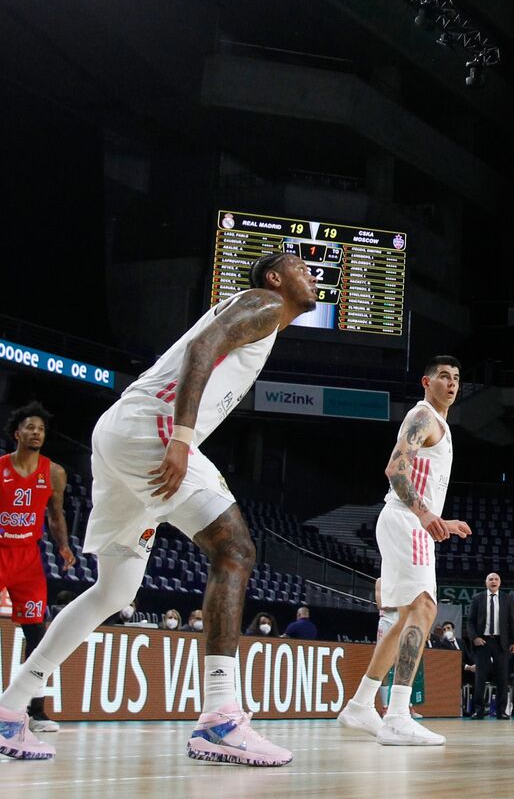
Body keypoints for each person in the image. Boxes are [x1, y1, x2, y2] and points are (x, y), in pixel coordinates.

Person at [0, 252, 317, 765]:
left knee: (115, 589)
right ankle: (219, 719)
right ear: (276, 278)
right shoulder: (263, 302)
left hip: (121, 431)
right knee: (234, 549)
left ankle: (12, 708)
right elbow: (202, 348)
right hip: (153, 430)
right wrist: (183, 438)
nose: (312, 274)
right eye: (301, 266)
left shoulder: (262, 320)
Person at [337, 357, 471, 746]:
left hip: (407, 521)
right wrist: (427, 514)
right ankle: (397, 714)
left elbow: (420, 483)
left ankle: (361, 704)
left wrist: (440, 520)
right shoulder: (424, 416)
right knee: (425, 609)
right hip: (406, 520)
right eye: (444, 376)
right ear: (426, 382)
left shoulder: (439, 425)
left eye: (457, 378)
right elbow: (396, 469)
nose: (452, 383)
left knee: (400, 620)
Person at [0, 403, 74, 734]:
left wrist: (63, 546)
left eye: (41, 429)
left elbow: (55, 515)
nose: (36, 433)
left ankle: (36, 710)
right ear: (17, 433)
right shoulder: (0, 468)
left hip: (29, 557)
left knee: (37, 633)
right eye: (30, 427)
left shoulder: (54, 472)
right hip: (1, 551)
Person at [466, 573, 514, 720]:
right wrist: (475, 637)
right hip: (483, 641)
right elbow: (470, 622)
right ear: (486, 582)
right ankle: (478, 710)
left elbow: (512, 622)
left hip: (501, 642)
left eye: (496, 579)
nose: (493, 581)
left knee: (502, 677)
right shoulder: (477, 598)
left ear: (500, 582)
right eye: (491, 579)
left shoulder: (507, 598)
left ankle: (501, 710)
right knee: (480, 677)